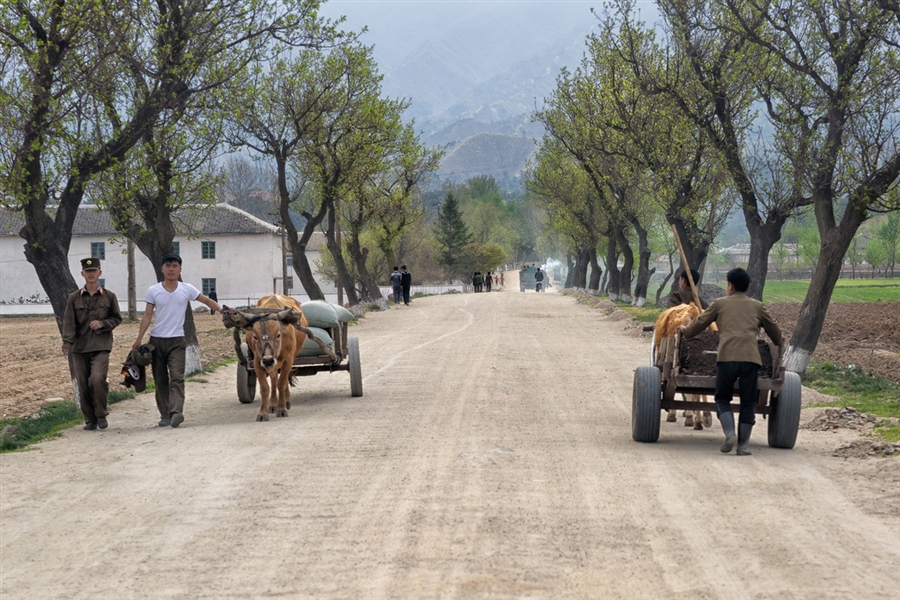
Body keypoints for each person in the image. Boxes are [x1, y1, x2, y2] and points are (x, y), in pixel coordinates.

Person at [678, 267, 783, 456]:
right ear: (747, 287)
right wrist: (778, 342)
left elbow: (700, 324)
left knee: (722, 398)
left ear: (730, 286)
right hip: (751, 359)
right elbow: (775, 332)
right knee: (748, 402)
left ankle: (729, 434)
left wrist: (686, 331)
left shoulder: (719, 304)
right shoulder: (757, 306)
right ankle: (743, 446)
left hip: (726, 358)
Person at [133, 253, 226, 428]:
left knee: (176, 377)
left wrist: (222, 310)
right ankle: (164, 415)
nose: (171, 269)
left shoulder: (186, 289)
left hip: (177, 341)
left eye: (175, 266)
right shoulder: (154, 290)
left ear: (180, 270)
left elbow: (206, 300)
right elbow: (146, 315)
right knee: (160, 379)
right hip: (157, 341)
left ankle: (175, 412)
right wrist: (139, 338)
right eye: (168, 266)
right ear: (162, 269)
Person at [62, 258, 123, 431]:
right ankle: (90, 419)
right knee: (83, 384)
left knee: (97, 379)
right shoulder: (73, 298)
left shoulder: (109, 296)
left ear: (100, 273)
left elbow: (117, 318)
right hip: (80, 348)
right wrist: (67, 342)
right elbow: (68, 322)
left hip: (101, 346)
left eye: (94, 271)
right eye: (87, 271)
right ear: (82, 274)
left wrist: (103, 323)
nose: (91, 274)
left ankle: (101, 414)